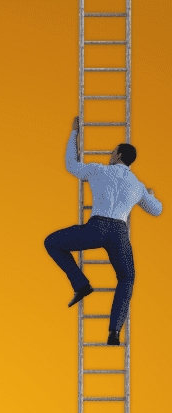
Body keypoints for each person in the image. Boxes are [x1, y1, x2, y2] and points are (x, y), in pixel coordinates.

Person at [44, 116, 162, 345]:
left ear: (117, 156)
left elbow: (71, 165)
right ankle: (114, 333)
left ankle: (81, 284)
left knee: (52, 242)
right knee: (127, 278)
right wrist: (151, 194)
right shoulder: (137, 185)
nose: (110, 155)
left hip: (96, 227)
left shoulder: (99, 170)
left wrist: (74, 134)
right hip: (119, 233)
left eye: (112, 152)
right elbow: (156, 210)